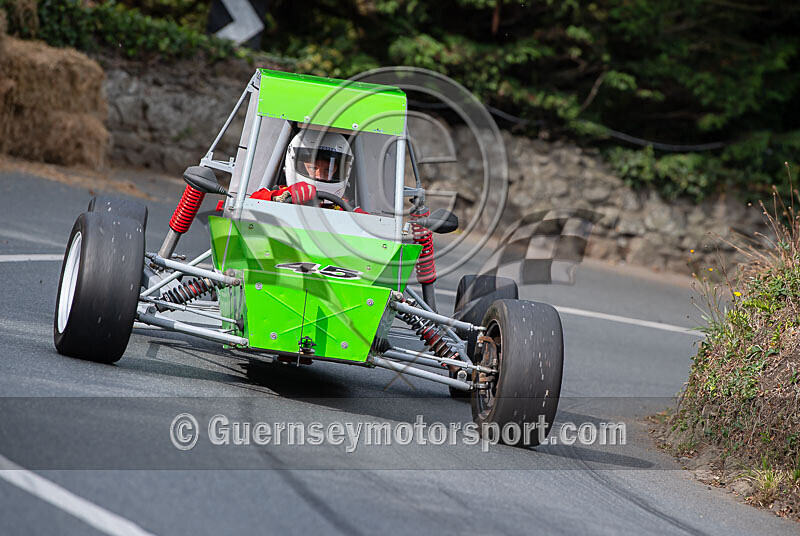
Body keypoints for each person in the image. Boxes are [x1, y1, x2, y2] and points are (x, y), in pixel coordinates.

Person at [250, 130, 356, 208]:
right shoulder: (280, 194)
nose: (320, 176)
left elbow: (364, 221)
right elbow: (250, 205)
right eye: (313, 168)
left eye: (328, 170)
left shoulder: (345, 208)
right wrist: (281, 196)